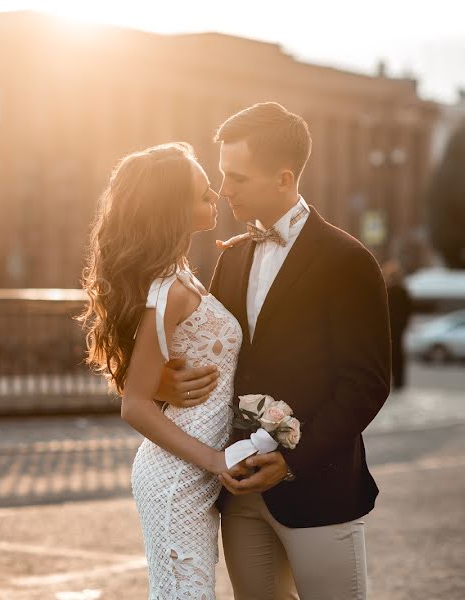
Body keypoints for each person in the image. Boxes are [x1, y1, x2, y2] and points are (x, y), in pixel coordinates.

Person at [156, 102, 392, 599]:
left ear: (284, 178)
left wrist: (293, 461)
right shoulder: (233, 254)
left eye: (236, 177)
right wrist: (165, 382)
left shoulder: (348, 260)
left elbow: (366, 384)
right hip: (239, 494)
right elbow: (214, 356)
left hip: (319, 490)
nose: (224, 190)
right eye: (223, 175)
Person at [80, 142, 247, 598]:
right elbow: (134, 406)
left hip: (190, 473)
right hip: (178, 477)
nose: (215, 198)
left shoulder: (183, 274)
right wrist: (214, 460)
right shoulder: (167, 290)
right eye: (203, 195)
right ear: (173, 208)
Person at [383, 260, 413, 388]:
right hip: (399, 327)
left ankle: (389, 381)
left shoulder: (387, 290)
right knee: (398, 353)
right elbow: (408, 311)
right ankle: (399, 382)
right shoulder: (403, 292)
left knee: (388, 354)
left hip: (388, 327)